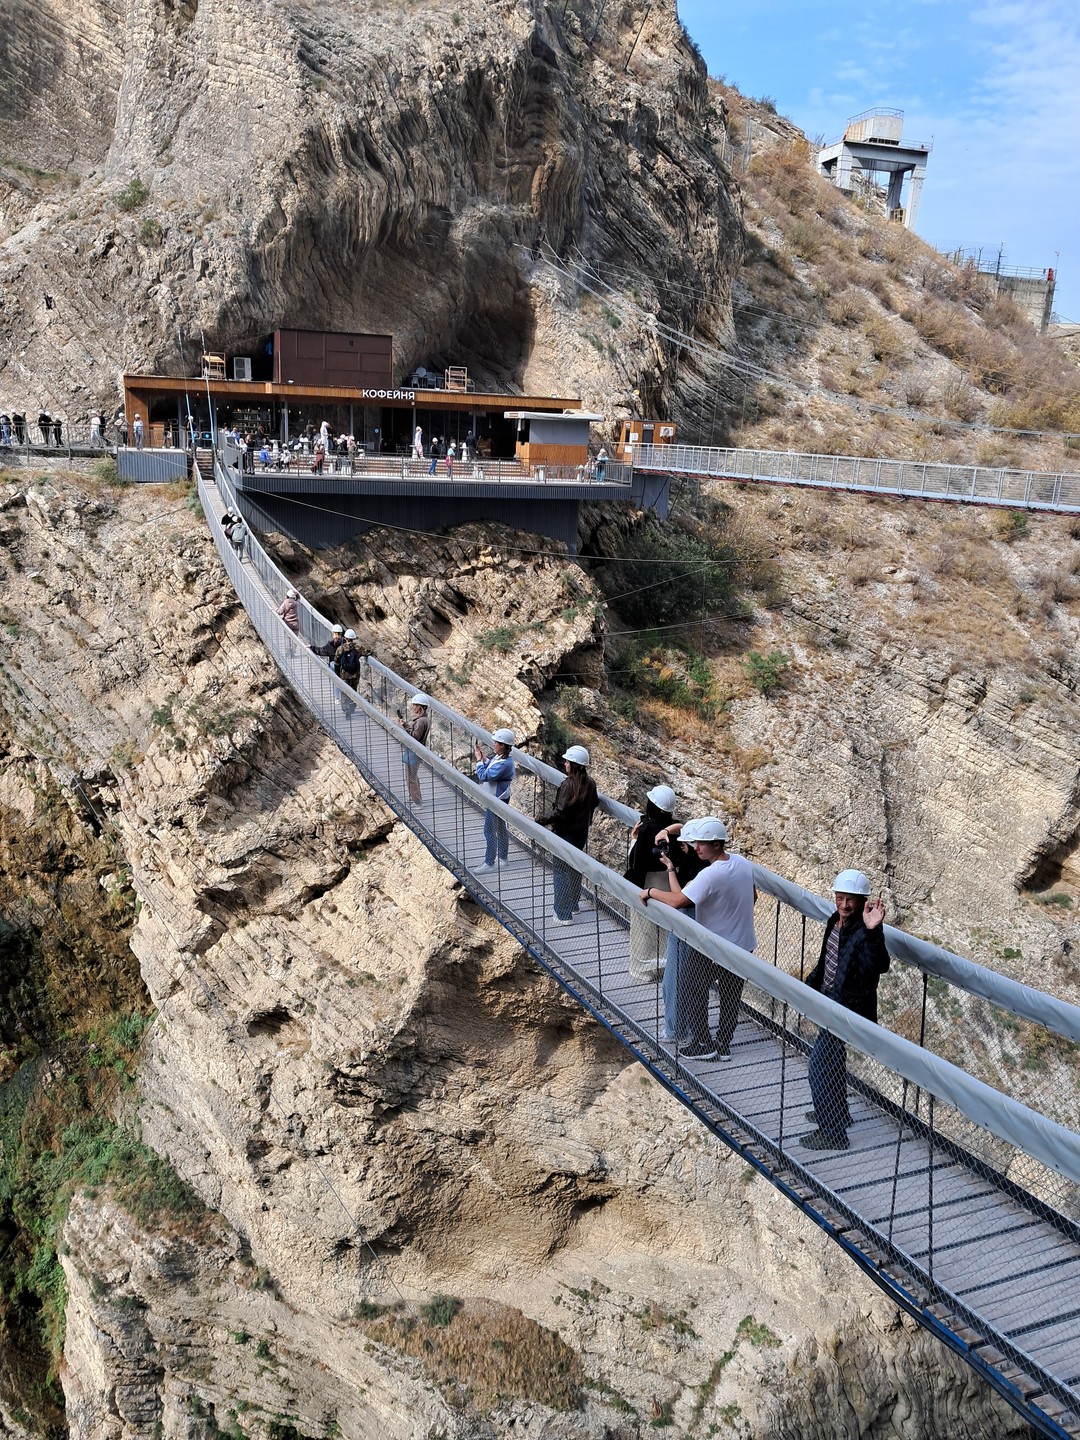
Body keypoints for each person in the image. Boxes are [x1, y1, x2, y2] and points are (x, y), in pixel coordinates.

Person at [642, 818, 756, 1061]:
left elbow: (676, 902)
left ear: (716, 844)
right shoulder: (742, 863)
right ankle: (723, 1045)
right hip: (742, 944)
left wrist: (650, 891)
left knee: (696, 989)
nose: (696, 848)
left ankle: (703, 1043)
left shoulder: (709, 874)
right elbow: (753, 896)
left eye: (702, 844)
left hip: (713, 946)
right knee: (730, 996)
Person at [801, 871, 889, 1152]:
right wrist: (809, 985)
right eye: (840, 898)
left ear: (862, 901)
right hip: (830, 1000)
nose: (844, 904)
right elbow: (827, 960)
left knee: (819, 1066)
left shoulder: (865, 930)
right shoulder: (834, 921)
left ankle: (833, 1133)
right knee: (832, 1060)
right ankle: (836, 1113)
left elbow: (881, 964)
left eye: (851, 900)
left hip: (846, 1008)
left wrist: (874, 930)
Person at [538, 745, 598, 925]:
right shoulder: (590, 784)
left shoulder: (567, 785)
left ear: (573, 765)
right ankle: (573, 905)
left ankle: (563, 914)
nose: (565, 764)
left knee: (561, 872)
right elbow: (594, 802)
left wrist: (539, 820)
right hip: (580, 835)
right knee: (574, 869)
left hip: (564, 835)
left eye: (567, 761)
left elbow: (559, 812)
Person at [624, 785, 677, 982]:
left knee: (643, 927)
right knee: (664, 927)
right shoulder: (674, 829)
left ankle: (642, 970)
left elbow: (635, 861)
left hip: (648, 883)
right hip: (669, 882)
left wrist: (634, 839)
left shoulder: (646, 829)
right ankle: (663, 968)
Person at [474, 728, 516, 870]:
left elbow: (484, 776)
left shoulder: (504, 763)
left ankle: (489, 862)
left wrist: (479, 761)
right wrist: (485, 759)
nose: (494, 744)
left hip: (495, 800)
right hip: (498, 798)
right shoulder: (503, 758)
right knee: (500, 828)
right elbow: (491, 768)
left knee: (489, 830)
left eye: (496, 743)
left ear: (503, 745)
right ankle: (503, 858)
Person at [399, 694, 430, 805]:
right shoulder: (425, 719)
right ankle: (416, 797)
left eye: (415, 706)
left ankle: (416, 801)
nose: (413, 708)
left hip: (413, 752)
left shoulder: (421, 721)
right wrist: (407, 725)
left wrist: (405, 726)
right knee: (413, 776)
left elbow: (415, 736)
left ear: (420, 707)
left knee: (410, 778)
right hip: (416, 752)